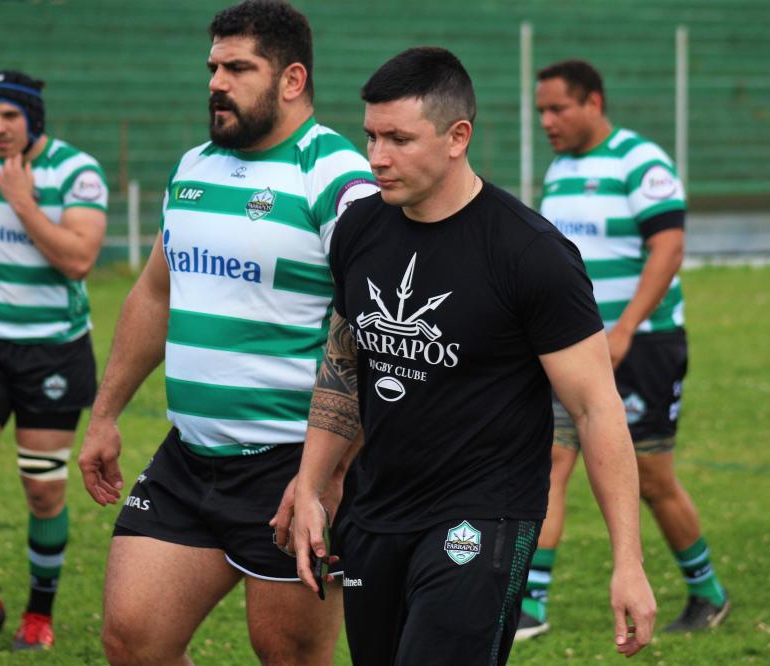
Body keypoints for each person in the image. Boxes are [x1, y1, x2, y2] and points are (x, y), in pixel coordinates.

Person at [276, 47, 656, 666]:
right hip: (377, 512)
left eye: (399, 138)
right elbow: (344, 366)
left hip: (484, 518)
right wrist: (311, 485)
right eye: (371, 135)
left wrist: (628, 563)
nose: (376, 157)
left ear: (458, 137)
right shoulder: (359, 230)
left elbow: (595, 409)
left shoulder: (531, 253)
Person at [76, 1, 377, 664]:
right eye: (213, 65)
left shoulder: (338, 180)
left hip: (290, 466)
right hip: (189, 456)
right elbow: (155, 294)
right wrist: (105, 413)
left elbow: (370, 332)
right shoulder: (195, 168)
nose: (216, 81)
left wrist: (328, 476)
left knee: (288, 655)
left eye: (238, 68)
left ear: (291, 80)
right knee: (133, 642)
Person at [516, 59, 731, 640]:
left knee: (652, 479)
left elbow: (669, 247)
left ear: (593, 103)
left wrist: (627, 327)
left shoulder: (642, 161)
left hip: (643, 347)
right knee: (550, 464)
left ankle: (708, 592)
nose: (546, 121)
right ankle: (530, 604)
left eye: (557, 108)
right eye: (540, 110)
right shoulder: (559, 170)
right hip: (572, 349)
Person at [0, 70, 108, 653]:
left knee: (42, 494)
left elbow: (80, 259)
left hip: (53, 354)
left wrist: (24, 204)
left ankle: (39, 614)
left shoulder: (76, 172)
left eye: (9, 116)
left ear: (33, 117)